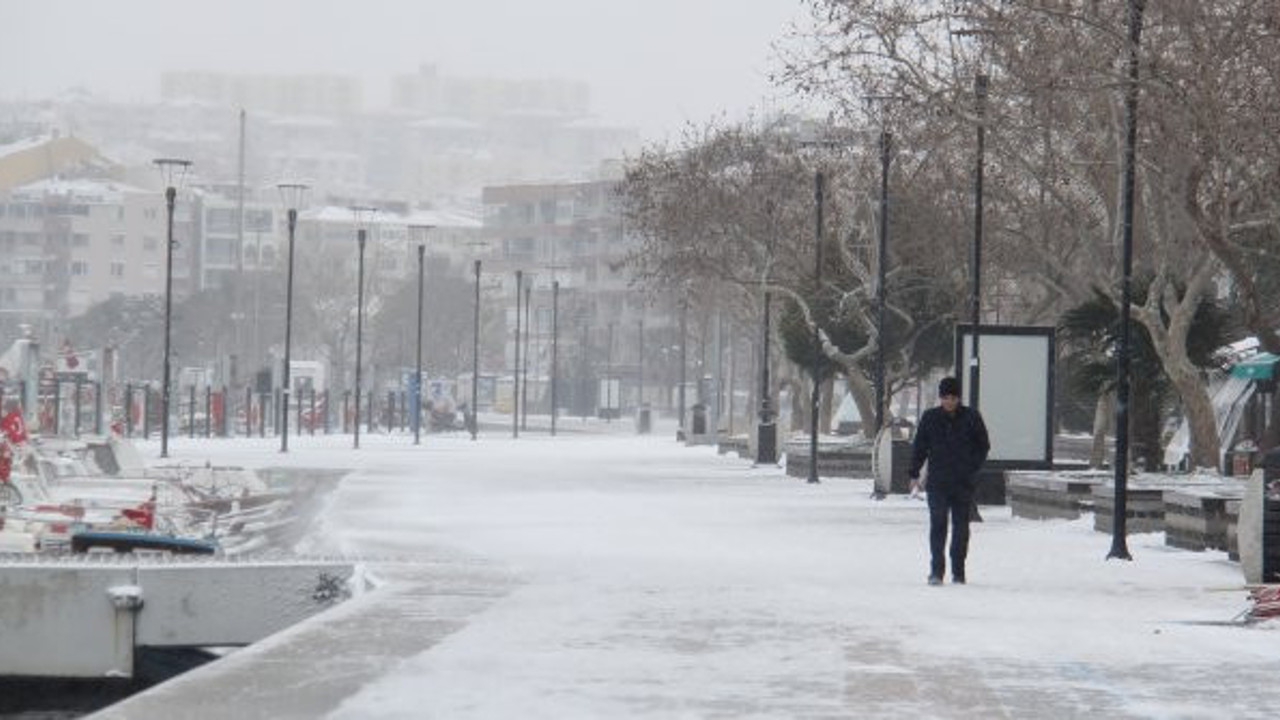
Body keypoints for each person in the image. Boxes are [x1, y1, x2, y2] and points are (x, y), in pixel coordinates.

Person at [908, 376, 990, 586]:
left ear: (959, 398)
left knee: (961, 527)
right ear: (940, 398)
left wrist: (972, 467)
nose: (949, 402)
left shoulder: (971, 417)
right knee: (938, 524)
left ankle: (958, 571)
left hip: (963, 482)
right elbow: (920, 447)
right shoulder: (930, 418)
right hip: (938, 481)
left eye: (953, 397)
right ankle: (936, 571)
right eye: (945, 397)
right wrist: (914, 473)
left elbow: (983, 445)